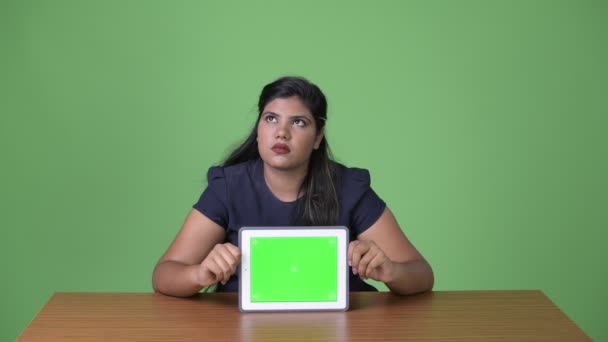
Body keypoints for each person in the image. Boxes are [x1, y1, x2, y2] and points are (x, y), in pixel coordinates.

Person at [152, 76, 434, 297]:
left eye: (298, 122)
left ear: (317, 137)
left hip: (343, 326)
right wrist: (200, 275)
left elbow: (421, 274)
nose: (281, 132)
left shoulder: (349, 188)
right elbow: (164, 274)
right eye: (271, 118)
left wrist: (389, 270)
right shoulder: (228, 187)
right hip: (243, 327)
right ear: (259, 128)